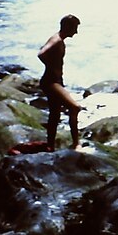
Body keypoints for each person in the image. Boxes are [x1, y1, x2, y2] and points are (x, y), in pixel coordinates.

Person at [38, 14, 82, 150]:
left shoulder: (57, 39)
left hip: (54, 80)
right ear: (68, 27)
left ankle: (50, 145)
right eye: (75, 28)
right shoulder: (56, 40)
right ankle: (76, 144)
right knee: (75, 107)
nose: (76, 31)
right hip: (51, 82)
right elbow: (41, 54)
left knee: (55, 114)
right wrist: (52, 69)